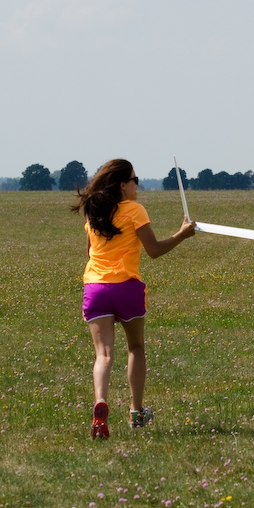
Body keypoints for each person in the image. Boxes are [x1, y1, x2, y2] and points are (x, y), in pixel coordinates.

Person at [71, 159, 196, 437]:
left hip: (95, 288)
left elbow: (90, 252)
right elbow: (153, 249)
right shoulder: (135, 210)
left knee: (103, 355)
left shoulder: (94, 213)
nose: (138, 186)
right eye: (135, 180)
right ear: (122, 185)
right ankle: (136, 413)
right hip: (127, 287)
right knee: (136, 348)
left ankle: (100, 402)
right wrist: (182, 234)